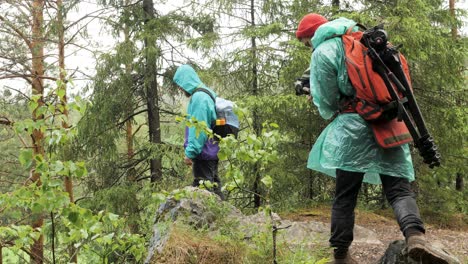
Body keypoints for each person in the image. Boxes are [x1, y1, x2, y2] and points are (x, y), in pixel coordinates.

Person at [296, 14, 449, 264]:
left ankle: (341, 255)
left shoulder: (324, 51)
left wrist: (321, 101)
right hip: (390, 123)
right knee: (399, 190)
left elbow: (326, 100)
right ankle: (416, 238)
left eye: (306, 42)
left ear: (314, 34)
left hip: (352, 129)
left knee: (345, 194)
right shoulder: (367, 41)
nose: (308, 47)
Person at [173, 64, 224, 199]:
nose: (181, 89)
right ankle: (225, 217)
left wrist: (190, 153)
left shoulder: (199, 98)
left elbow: (199, 129)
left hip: (204, 154)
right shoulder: (206, 93)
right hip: (211, 152)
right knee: (214, 190)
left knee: (204, 194)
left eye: (180, 85)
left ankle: (216, 219)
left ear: (186, 81)